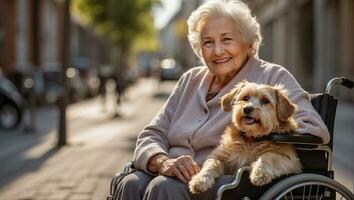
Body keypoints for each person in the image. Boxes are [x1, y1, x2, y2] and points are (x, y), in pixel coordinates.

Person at [115, 0, 330, 199]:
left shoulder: (273, 76)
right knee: (131, 182)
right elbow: (153, 132)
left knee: (164, 188)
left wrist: (263, 127)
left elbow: (315, 129)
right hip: (172, 170)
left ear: (248, 42)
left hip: (226, 180)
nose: (218, 51)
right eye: (208, 42)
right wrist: (161, 161)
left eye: (227, 39)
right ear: (200, 49)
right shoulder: (189, 80)